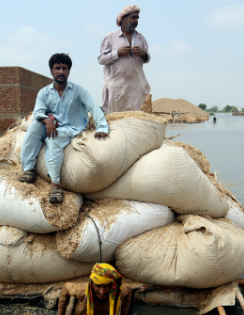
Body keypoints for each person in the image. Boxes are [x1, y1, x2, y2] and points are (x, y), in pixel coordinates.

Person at [19, 53, 109, 203]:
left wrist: (102, 128)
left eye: (64, 68)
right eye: (57, 68)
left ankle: (55, 185)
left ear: (68, 71)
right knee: (34, 127)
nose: (61, 71)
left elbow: (94, 108)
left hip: (71, 128)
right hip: (51, 125)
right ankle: (28, 170)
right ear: (52, 71)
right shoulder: (44, 92)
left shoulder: (78, 91)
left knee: (53, 139)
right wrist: (47, 120)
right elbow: (38, 112)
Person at [57, 263, 132, 315]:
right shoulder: (81, 290)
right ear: (92, 284)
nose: (102, 292)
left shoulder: (117, 293)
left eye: (106, 286)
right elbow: (66, 287)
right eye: (98, 286)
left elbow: (129, 289)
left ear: (112, 285)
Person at [98, 5, 151, 113]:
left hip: (135, 86)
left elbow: (147, 59)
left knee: (134, 119)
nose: (135, 21)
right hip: (116, 87)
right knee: (116, 119)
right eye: (133, 17)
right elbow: (101, 59)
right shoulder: (110, 37)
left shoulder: (141, 38)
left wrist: (143, 54)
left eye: (137, 18)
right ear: (123, 19)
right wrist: (117, 53)